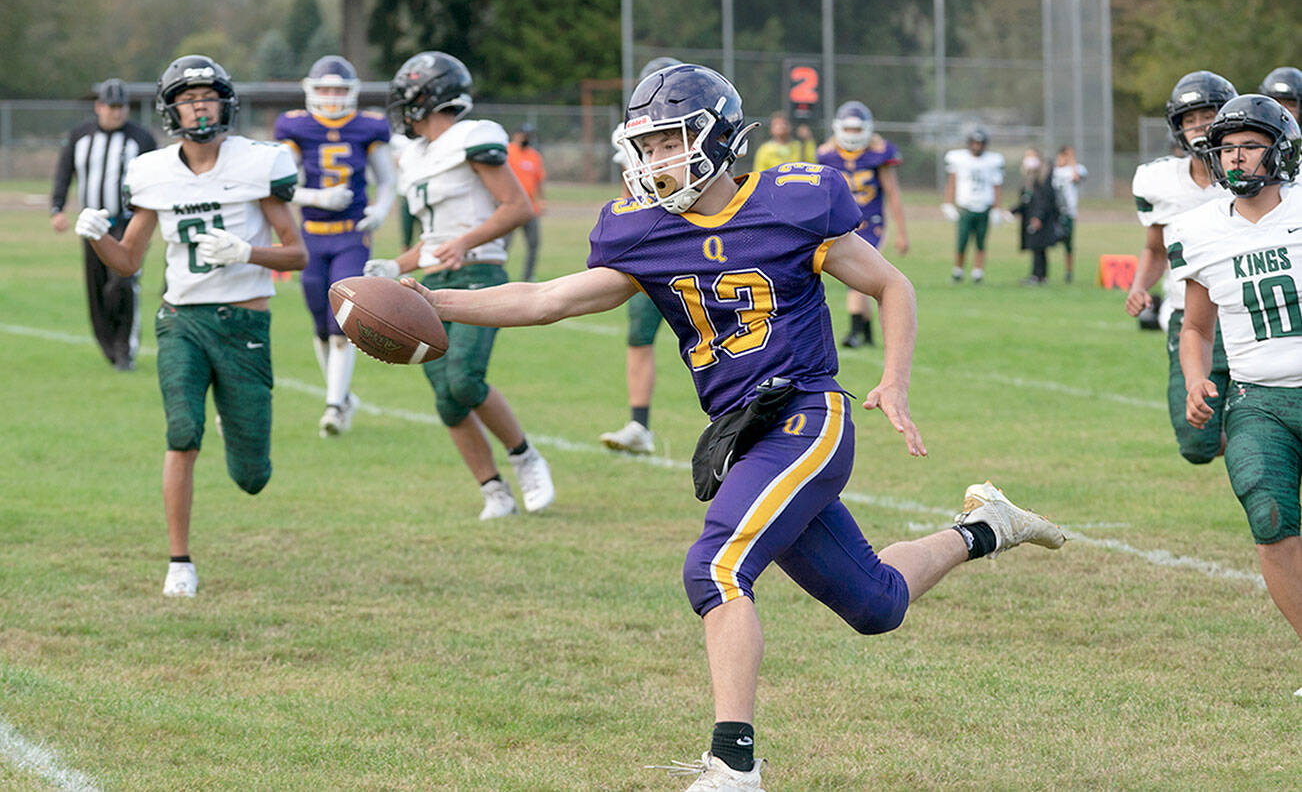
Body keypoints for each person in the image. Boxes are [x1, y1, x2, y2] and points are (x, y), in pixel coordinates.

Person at [402, 63, 1066, 789]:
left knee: (716, 567)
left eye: (670, 142)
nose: (656, 160)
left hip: (810, 413)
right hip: (743, 436)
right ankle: (988, 525)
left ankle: (734, 763)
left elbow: (889, 284)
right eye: (647, 146)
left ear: (717, 138)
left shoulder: (792, 203)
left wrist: (894, 380)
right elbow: (545, 298)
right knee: (875, 603)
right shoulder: (642, 231)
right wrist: (435, 304)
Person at [73, 55, 307, 597]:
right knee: (181, 435)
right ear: (171, 108)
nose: (199, 105)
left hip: (245, 322)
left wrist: (246, 251)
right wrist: (96, 237)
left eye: (207, 95)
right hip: (182, 319)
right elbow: (129, 261)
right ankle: (179, 561)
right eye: (188, 97)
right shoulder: (153, 171)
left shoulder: (259, 163)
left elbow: (295, 255)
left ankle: (234, 422)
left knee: (253, 477)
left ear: (225, 103)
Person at [364, 51, 554, 520]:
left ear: (429, 96)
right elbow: (433, 241)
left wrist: (466, 241)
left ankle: (525, 456)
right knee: (447, 399)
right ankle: (494, 490)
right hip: (430, 280)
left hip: (479, 272)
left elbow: (517, 207)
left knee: (465, 380)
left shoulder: (474, 137)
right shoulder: (415, 155)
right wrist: (392, 266)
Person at [1168, 94, 1302, 690]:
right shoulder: (1197, 230)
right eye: (1227, 148)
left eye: (1250, 145)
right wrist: (1197, 376)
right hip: (1257, 400)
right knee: (1269, 515)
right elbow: (1196, 327)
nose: (1237, 158)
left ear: (1280, 150)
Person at [274, 55, 396, 437]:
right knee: (318, 322)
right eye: (325, 88)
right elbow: (279, 182)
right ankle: (340, 397)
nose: (331, 96)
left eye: (339, 90)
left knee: (342, 321)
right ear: (311, 90)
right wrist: (316, 196)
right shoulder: (295, 126)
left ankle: (332, 406)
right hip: (310, 233)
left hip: (351, 235)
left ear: (353, 92)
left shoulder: (369, 127)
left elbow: (388, 179)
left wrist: (379, 211)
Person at [1125, 70, 1236, 465]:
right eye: (1189, 120)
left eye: (1207, 115)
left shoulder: (1251, 176)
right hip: (1186, 317)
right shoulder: (1159, 182)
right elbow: (1156, 250)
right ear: (1178, 127)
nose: (1199, 127)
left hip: (1245, 315)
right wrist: (1140, 286)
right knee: (1196, 443)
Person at [601, 55, 683, 455]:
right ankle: (640, 424)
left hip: (690, 240)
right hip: (650, 245)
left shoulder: (688, 127)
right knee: (639, 338)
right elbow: (627, 191)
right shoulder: (629, 133)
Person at [50, 77, 157, 370]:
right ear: (98, 107)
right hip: (92, 224)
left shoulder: (141, 138)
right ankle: (108, 346)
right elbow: (64, 173)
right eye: (111, 106)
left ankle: (125, 349)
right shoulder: (80, 136)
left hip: (128, 221)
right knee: (97, 288)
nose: (116, 112)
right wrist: (57, 208)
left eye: (121, 107)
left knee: (122, 283)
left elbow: (156, 179)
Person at [816, 100, 908, 348]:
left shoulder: (879, 153)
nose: (853, 135)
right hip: (843, 224)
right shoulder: (826, 154)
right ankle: (867, 333)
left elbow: (893, 194)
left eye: (858, 130)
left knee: (857, 277)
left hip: (872, 223)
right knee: (862, 278)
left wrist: (902, 233)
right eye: (849, 129)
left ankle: (854, 333)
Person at [942, 127, 1004, 284]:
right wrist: (948, 203)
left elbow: (996, 186)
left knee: (981, 242)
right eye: (974, 143)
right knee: (962, 241)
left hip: (984, 206)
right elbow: (952, 182)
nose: (977, 146)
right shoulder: (959, 158)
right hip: (966, 206)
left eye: (980, 143)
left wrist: (997, 208)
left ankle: (978, 273)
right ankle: (958, 271)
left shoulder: (992, 161)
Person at [1012, 149, 1061, 285]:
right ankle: (1038, 275)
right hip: (1031, 216)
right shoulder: (1030, 178)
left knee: (1039, 247)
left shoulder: (1044, 176)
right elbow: (1026, 200)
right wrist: (1013, 211)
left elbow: (1045, 200)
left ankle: (1039, 276)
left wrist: (1038, 217)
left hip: (1041, 219)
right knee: (1036, 248)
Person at [506, 123, 546, 281]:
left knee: (534, 244)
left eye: (529, 136)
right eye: (524, 135)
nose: (526, 139)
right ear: (516, 135)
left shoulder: (534, 156)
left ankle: (528, 277)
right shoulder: (507, 152)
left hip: (530, 208)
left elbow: (539, 180)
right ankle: (498, 273)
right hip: (510, 207)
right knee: (503, 245)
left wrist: (542, 200)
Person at [1051, 145, 1087, 283]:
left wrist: (1072, 162)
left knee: (1068, 244)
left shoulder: (1074, 169)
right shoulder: (1054, 171)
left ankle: (1068, 272)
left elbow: (1077, 177)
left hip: (1068, 212)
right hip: (1054, 212)